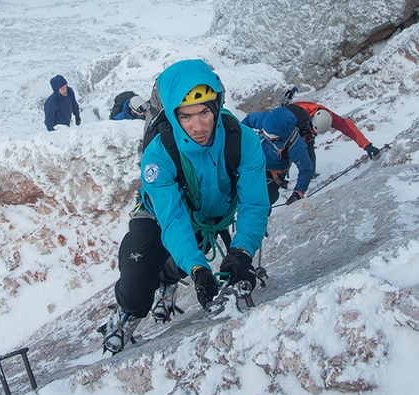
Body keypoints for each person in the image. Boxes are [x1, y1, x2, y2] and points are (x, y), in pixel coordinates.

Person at [102, 59, 269, 354]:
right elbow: (172, 219)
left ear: (217, 105)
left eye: (204, 112)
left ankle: (168, 280)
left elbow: (254, 204)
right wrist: (198, 269)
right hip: (157, 215)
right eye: (186, 116)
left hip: (202, 220)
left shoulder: (241, 141)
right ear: (172, 115)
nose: (198, 126)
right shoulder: (158, 155)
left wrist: (242, 252)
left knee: (179, 262)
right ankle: (127, 311)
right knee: (135, 289)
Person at [242, 106, 314, 207]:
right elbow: (248, 120)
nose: (266, 135)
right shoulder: (265, 120)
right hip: (253, 157)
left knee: (264, 200)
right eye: (265, 132)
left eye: (270, 135)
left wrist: (298, 193)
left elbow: (306, 169)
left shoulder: (296, 145)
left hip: (272, 171)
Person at [291, 101, 380, 161]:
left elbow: (347, 127)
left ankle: (309, 175)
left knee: (308, 148)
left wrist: (366, 145)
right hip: (290, 127)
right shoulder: (294, 117)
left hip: (304, 128)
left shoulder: (327, 116)